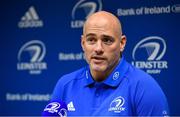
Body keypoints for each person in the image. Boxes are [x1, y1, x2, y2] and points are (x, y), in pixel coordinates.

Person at [51, 11, 169, 116]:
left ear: (122, 43)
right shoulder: (65, 85)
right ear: (83, 43)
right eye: (91, 40)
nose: (98, 48)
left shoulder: (144, 88)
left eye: (107, 40)